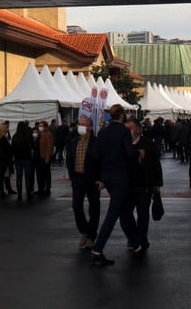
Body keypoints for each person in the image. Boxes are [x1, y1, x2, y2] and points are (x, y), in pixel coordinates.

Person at [88, 104, 138, 266]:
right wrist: (139, 152)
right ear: (122, 116)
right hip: (120, 175)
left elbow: (95, 155)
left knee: (123, 209)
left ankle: (136, 240)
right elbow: (130, 153)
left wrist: (101, 177)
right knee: (114, 212)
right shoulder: (123, 132)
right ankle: (97, 248)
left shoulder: (103, 133)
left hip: (107, 175)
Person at [124, 116, 162, 254]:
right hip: (128, 185)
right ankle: (133, 237)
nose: (128, 131)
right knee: (126, 213)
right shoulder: (125, 144)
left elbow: (156, 163)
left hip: (144, 184)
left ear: (139, 130)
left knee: (143, 213)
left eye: (130, 128)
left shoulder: (148, 143)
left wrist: (157, 183)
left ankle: (142, 239)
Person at [66, 115, 100, 250]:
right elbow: (69, 159)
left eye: (84, 124)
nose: (81, 127)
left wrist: (101, 178)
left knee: (94, 208)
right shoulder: (74, 141)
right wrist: (72, 176)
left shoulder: (96, 142)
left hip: (92, 178)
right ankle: (85, 230)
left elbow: (101, 161)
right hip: (77, 178)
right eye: (80, 124)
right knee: (76, 206)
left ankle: (91, 236)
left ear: (90, 127)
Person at [10, 121, 34, 200]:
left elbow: (12, 149)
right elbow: (31, 147)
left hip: (18, 159)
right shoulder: (27, 136)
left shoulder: (15, 137)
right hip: (27, 159)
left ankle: (19, 194)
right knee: (27, 176)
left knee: (19, 177)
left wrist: (13, 157)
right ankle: (28, 193)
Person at [0, 122, 16, 198]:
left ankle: (4, 189)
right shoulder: (2, 139)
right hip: (3, 159)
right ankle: (1, 190)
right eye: (6, 128)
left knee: (3, 175)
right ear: (3, 130)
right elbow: (7, 149)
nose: (7, 129)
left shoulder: (0, 138)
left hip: (0, 159)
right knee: (1, 175)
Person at [34, 120, 54, 196]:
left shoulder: (48, 134)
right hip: (38, 157)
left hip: (45, 157)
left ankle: (47, 188)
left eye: (42, 126)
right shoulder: (38, 134)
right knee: (39, 174)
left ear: (45, 126)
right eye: (39, 126)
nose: (40, 127)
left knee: (46, 174)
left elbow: (49, 147)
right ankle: (40, 188)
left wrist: (47, 158)